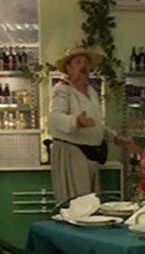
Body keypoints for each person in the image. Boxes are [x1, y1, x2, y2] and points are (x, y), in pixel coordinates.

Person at [48, 46, 134, 203]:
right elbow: (55, 118)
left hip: (91, 154)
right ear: (68, 67)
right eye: (78, 62)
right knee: (77, 204)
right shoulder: (62, 90)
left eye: (86, 63)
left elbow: (96, 124)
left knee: (90, 203)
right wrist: (76, 121)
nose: (83, 66)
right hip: (72, 152)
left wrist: (114, 138)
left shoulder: (91, 91)